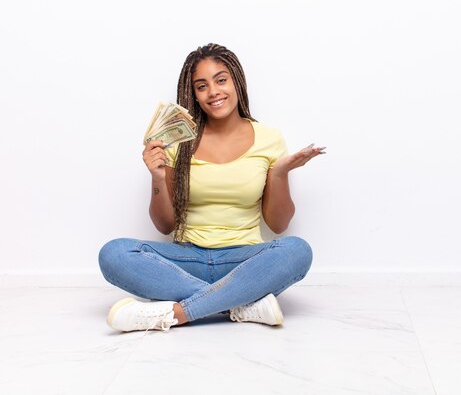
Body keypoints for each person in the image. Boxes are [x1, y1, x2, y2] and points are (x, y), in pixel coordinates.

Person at [98, 43, 324, 332]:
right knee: (113, 254)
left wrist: (279, 174)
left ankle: (177, 313)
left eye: (221, 80)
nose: (214, 92)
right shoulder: (177, 140)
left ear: (236, 82)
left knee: (298, 250)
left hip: (244, 260)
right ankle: (241, 303)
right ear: (193, 94)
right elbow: (165, 226)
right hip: (187, 259)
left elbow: (279, 225)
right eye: (201, 86)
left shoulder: (269, 138)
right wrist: (157, 178)